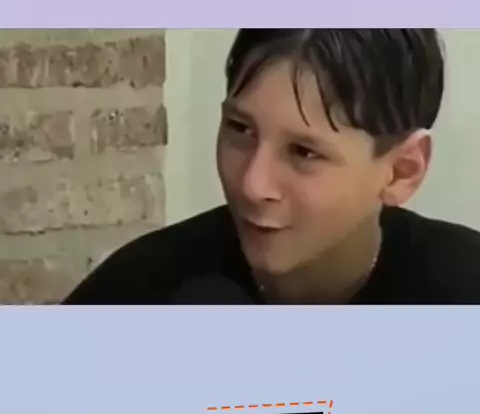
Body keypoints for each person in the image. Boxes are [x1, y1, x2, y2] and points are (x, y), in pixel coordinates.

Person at [63, 28, 480, 305]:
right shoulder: (139, 293)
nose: (252, 184)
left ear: (402, 171)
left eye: (304, 152)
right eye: (240, 129)